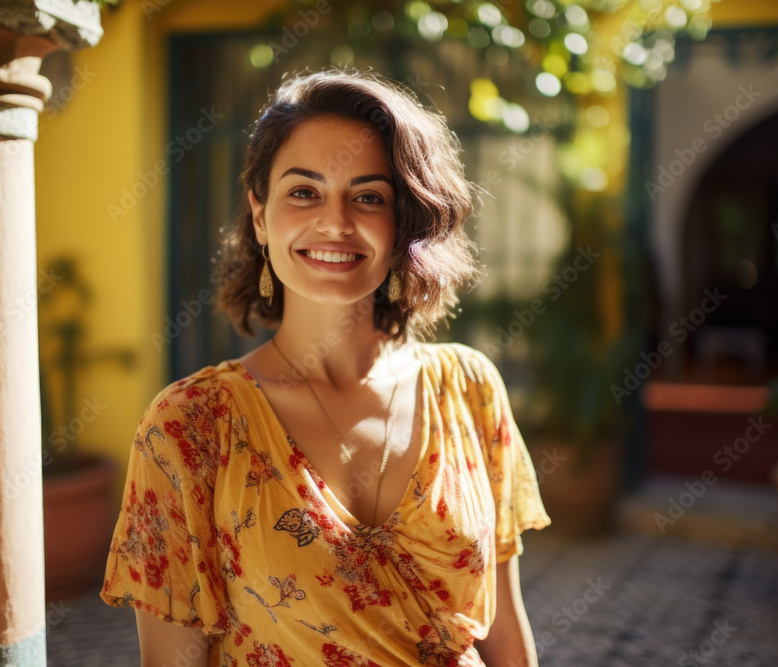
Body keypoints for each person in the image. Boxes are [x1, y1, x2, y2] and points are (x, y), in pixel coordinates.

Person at [100, 67, 551, 667]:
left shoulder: (468, 389)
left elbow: (505, 638)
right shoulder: (191, 427)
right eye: (304, 192)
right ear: (260, 216)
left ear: (404, 225)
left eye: (368, 196)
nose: (336, 222)